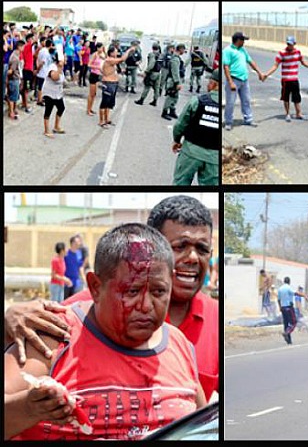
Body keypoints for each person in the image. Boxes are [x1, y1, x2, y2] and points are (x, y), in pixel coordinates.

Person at [4, 195, 220, 402]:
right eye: (180, 246)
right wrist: (7, 328)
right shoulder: (84, 311)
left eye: (202, 249)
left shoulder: (210, 323)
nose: (193, 258)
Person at [4, 223, 206, 440]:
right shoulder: (53, 335)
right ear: (95, 287)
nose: (146, 305)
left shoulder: (179, 345)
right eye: (132, 290)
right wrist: (30, 407)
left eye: (159, 291)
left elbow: (204, 425)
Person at [171, 68, 220, 185]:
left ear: (213, 84)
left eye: (209, 82)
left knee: (181, 183)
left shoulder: (197, 101)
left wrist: (176, 140)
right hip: (214, 158)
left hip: (191, 151)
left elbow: (180, 124)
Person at [262, 35, 308, 122]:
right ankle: (287, 114)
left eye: (291, 44)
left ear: (294, 44)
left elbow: (303, 62)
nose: (289, 46)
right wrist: (267, 74)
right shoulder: (282, 53)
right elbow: (275, 65)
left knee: (297, 97)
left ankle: (298, 113)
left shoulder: (298, 52)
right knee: (286, 97)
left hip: (294, 79)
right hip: (285, 80)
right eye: (288, 44)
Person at [222, 32, 264, 130]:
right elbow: (226, 67)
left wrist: (259, 72)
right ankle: (228, 122)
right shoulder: (228, 51)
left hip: (244, 80)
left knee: (246, 100)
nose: (244, 42)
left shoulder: (243, 50)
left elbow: (250, 62)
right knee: (230, 102)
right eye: (243, 40)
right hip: (234, 79)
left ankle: (248, 119)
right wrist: (231, 82)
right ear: (238, 40)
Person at [99, 45, 135, 128]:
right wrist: (129, 50)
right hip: (108, 83)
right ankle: (101, 121)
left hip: (113, 83)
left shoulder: (112, 61)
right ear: (111, 53)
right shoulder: (109, 60)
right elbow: (122, 59)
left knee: (109, 104)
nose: (117, 53)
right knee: (104, 103)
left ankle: (107, 119)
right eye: (115, 51)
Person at [41, 58, 67, 138]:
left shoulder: (61, 68)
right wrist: (59, 68)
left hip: (58, 93)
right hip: (49, 93)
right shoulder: (52, 67)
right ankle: (46, 130)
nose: (65, 60)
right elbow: (54, 77)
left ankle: (56, 126)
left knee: (61, 108)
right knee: (48, 110)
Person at [161, 43, 186, 120]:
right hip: (173, 81)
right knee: (170, 96)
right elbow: (175, 72)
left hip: (174, 80)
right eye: (184, 50)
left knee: (175, 97)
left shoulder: (176, 58)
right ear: (181, 49)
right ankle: (164, 112)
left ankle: (172, 111)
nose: (184, 51)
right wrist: (177, 82)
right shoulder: (175, 59)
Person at [7, 39, 24, 120]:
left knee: (15, 96)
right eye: (23, 46)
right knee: (12, 97)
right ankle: (11, 112)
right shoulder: (15, 58)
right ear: (19, 47)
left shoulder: (16, 56)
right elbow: (10, 71)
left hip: (16, 78)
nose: (23, 48)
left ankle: (14, 110)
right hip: (14, 79)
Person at [277, 277, 297, 345]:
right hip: (289, 307)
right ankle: (287, 333)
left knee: (286, 323)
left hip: (283, 308)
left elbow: (278, 300)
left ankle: (289, 340)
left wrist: (280, 307)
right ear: (289, 282)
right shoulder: (288, 288)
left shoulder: (280, 289)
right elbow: (295, 293)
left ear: (284, 281)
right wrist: (304, 295)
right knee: (293, 322)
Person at [86, 42, 104, 116]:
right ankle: (88, 109)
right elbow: (89, 64)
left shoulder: (101, 55)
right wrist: (97, 67)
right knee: (91, 94)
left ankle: (90, 108)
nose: (102, 49)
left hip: (97, 75)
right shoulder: (95, 55)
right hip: (93, 74)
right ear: (98, 48)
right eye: (101, 48)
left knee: (94, 94)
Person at [19, 33, 35, 114]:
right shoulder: (28, 46)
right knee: (26, 89)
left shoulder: (27, 47)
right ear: (29, 39)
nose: (33, 39)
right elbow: (34, 41)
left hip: (27, 70)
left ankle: (23, 103)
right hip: (27, 70)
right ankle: (26, 106)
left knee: (24, 89)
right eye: (32, 38)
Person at [35, 39, 53, 107]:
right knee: (41, 87)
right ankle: (39, 100)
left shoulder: (43, 51)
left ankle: (41, 98)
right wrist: (38, 69)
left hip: (44, 71)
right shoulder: (45, 52)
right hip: (42, 72)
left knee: (42, 86)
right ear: (50, 45)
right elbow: (42, 62)